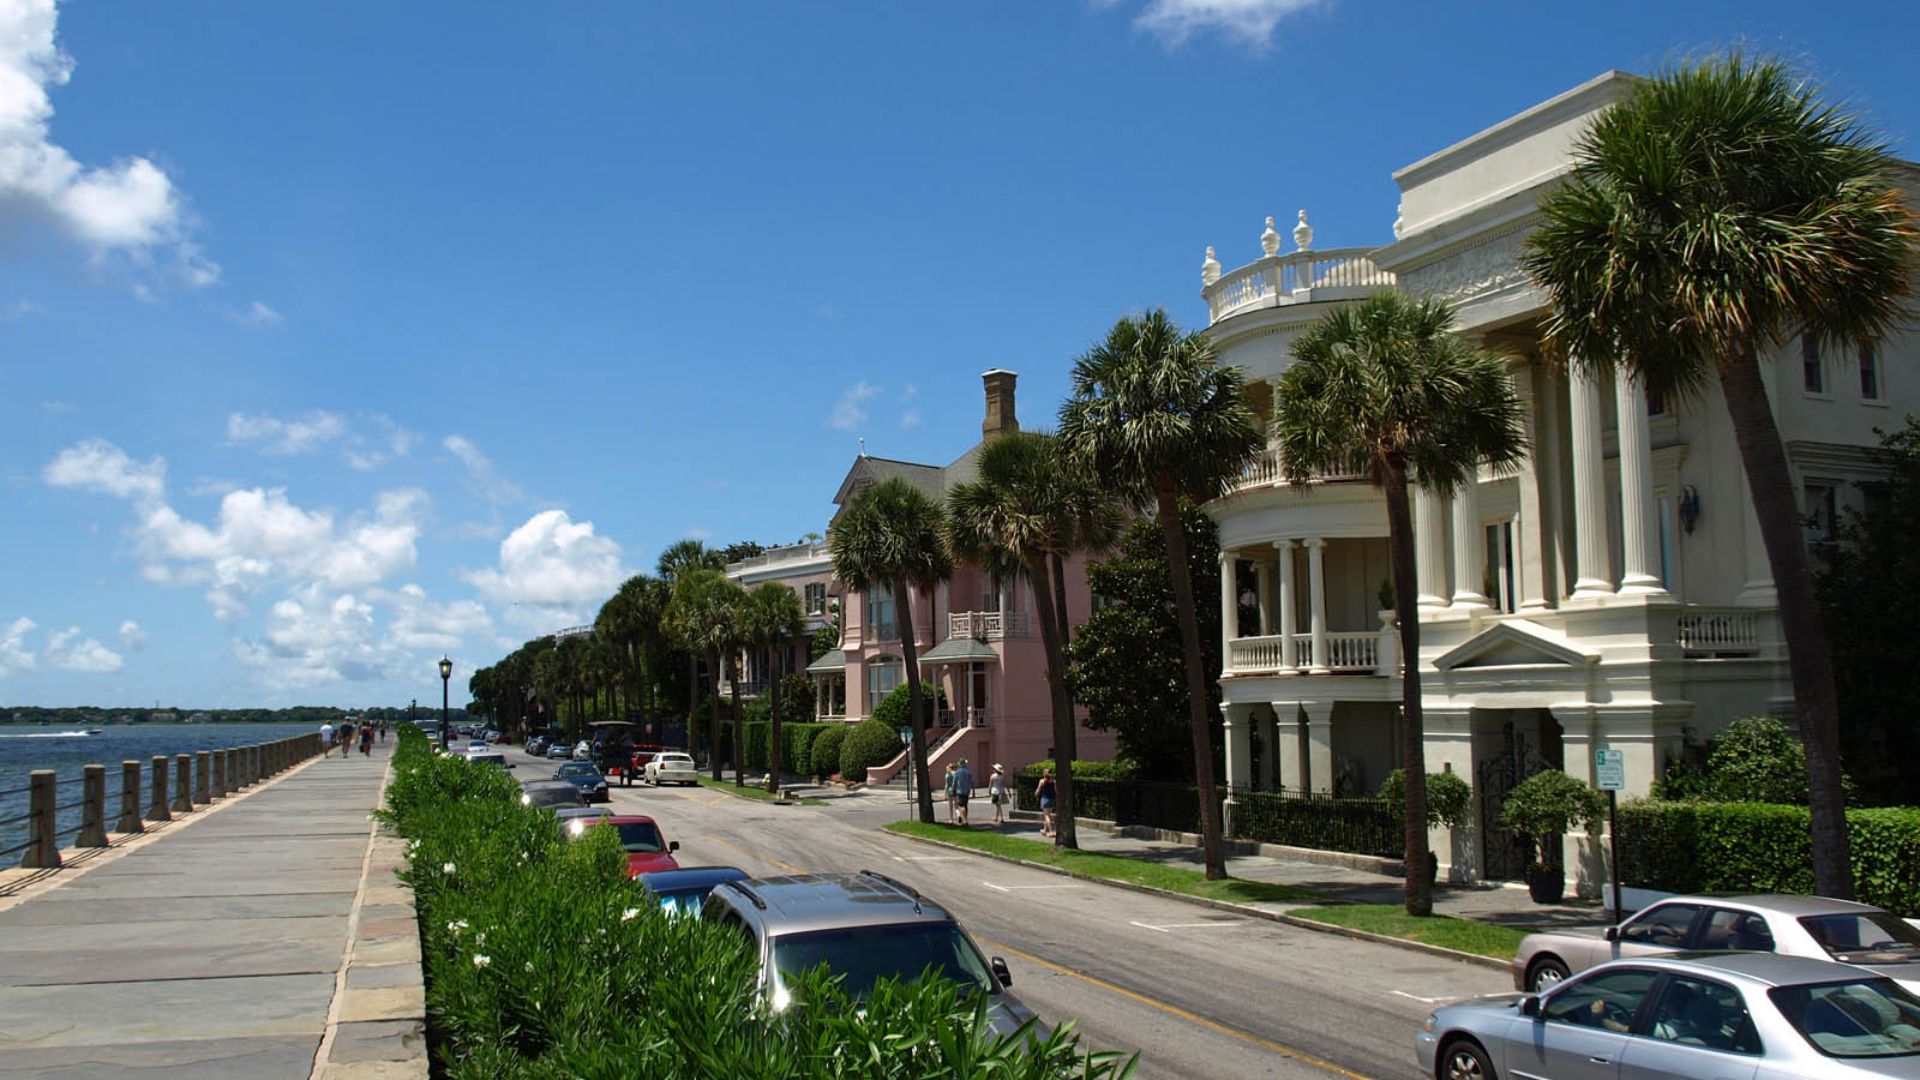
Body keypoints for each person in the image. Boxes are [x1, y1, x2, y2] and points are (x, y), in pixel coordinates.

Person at [951, 758, 974, 827]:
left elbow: (954, 782)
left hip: (960, 790)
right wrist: (973, 791)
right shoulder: (968, 772)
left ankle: (965, 821)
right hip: (967, 790)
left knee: (961, 806)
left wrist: (953, 790)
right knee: (965, 805)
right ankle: (965, 818)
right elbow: (971, 782)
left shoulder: (957, 772)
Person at [1036, 768, 1057, 837]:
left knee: (1046, 816)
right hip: (1052, 799)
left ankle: (1051, 831)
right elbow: (1056, 791)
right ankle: (1044, 830)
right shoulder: (1053, 781)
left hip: (1045, 799)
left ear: (1044, 774)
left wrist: (1036, 794)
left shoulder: (1042, 781)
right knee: (1048, 815)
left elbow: (1038, 790)